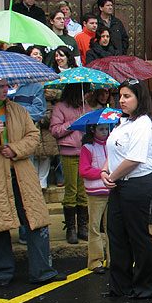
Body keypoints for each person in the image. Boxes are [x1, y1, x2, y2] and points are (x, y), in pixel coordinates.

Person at [0, 78, 66, 286]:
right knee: (0, 225)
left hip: (22, 174)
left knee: (36, 220)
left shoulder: (17, 110)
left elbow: (34, 137)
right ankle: (2, 273)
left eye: (6, 85)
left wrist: (15, 148)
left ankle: (42, 270)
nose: (5, 90)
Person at [100, 80, 152, 298]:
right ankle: (120, 285)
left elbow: (134, 158)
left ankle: (148, 285)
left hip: (136, 184)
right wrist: (105, 171)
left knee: (137, 235)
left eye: (127, 96)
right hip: (118, 183)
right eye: (120, 96)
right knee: (116, 234)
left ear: (139, 98)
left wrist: (111, 177)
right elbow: (113, 151)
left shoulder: (144, 123)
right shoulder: (123, 122)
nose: (122, 100)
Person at [49, 82, 88, 244]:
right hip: (69, 153)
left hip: (85, 152)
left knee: (83, 191)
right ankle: (70, 228)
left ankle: (82, 227)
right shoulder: (60, 107)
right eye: (83, 93)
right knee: (71, 190)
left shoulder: (85, 107)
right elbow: (55, 130)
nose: (85, 96)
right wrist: (74, 124)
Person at [79, 124, 110, 274]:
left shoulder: (111, 144)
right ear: (93, 130)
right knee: (94, 227)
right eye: (101, 129)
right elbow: (83, 170)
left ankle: (112, 259)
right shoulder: (88, 147)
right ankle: (95, 261)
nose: (105, 132)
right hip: (95, 192)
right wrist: (103, 172)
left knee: (111, 227)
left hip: (111, 190)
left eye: (107, 129)